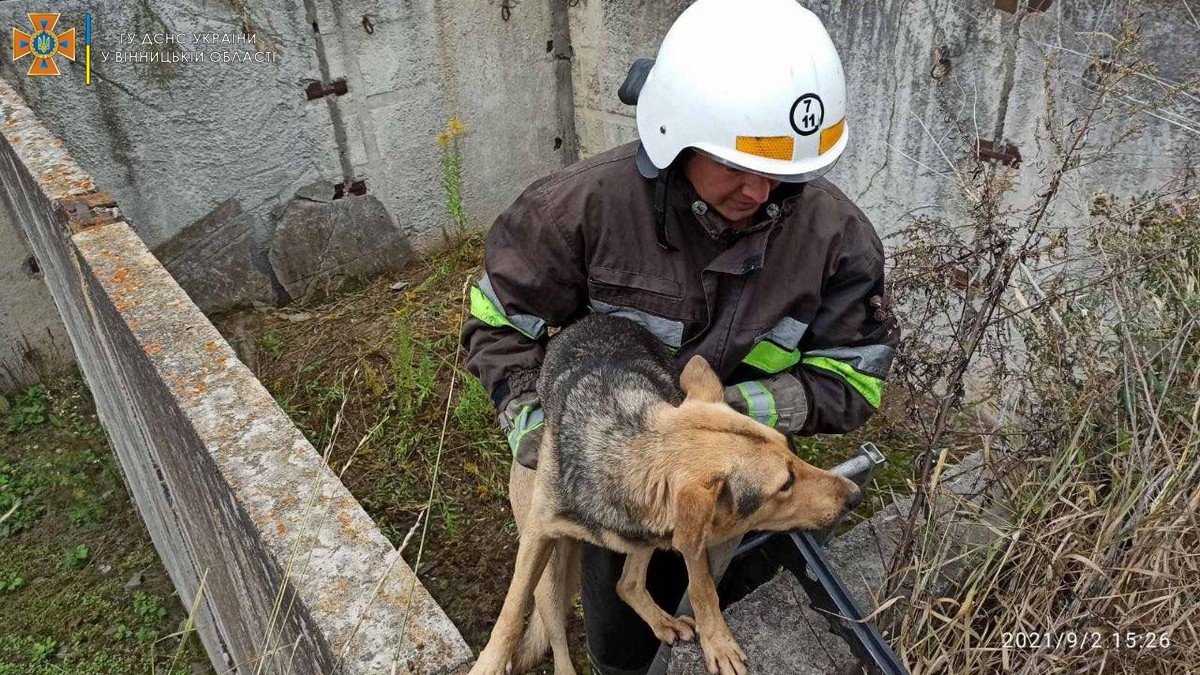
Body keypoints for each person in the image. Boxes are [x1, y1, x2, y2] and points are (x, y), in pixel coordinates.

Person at [460, 0, 899, 672]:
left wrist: (724, 423)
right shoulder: (577, 211)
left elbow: (854, 378)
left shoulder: (837, 244)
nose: (759, 189)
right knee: (615, 632)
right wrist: (534, 428)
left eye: (779, 167)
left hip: (733, 483)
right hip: (614, 467)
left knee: (696, 589)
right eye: (734, 163)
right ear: (676, 134)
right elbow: (496, 325)